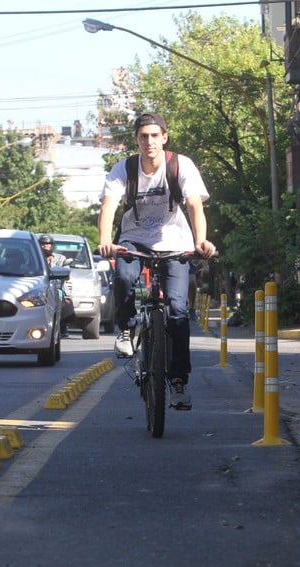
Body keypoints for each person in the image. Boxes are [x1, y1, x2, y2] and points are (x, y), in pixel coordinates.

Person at [97, 112, 217, 411]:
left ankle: (178, 382)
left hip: (175, 242)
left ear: (164, 137)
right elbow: (109, 205)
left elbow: (193, 205)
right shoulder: (125, 168)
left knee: (178, 311)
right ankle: (126, 328)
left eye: (154, 135)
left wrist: (201, 240)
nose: (148, 141)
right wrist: (105, 241)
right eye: (143, 136)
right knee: (124, 277)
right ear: (136, 140)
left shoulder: (180, 165)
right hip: (134, 239)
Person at [38, 234, 72, 337]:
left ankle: (63, 325)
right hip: (40, 287)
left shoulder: (60, 258)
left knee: (63, 302)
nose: (46, 246)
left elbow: (66, 273)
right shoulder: (36, 258)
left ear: (52, 245)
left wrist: (62, 274)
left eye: (48, 244)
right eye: (43, 244)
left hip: (57, 288)